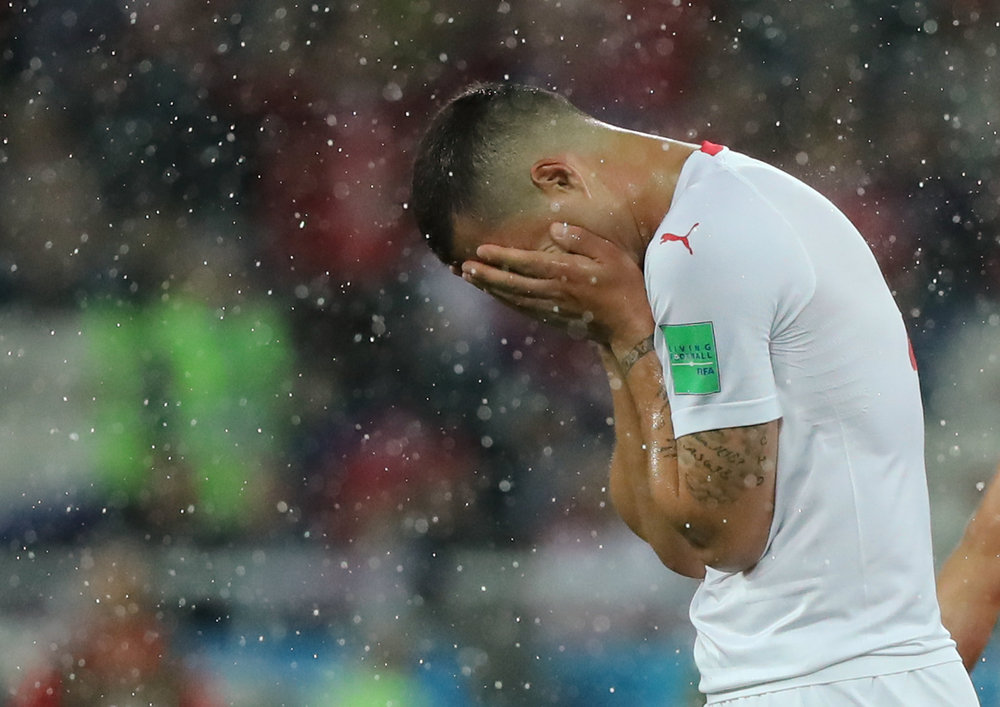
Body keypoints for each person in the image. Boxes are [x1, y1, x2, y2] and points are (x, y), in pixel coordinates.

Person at [410, 82, 981, 705]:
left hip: (827, 682)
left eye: (527, 260)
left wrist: (629, 335)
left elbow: (721, 534)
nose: (544, 284)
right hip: (837, 678)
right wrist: (610, 333)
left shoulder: (699, 248)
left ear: (557, 179)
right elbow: (674, 542)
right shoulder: (721, 211)